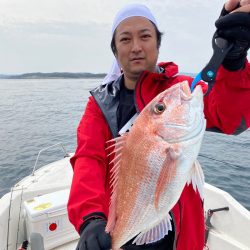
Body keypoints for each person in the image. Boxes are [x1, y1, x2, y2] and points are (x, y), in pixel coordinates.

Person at [68, 1, 250, 249]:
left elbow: (232, 118)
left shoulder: (178, 91)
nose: (136, 47)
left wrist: (233, 62)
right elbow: (89, 159)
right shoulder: (100, 103)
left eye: (145, 36)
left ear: (157, 44)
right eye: (125, 39)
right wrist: (90, 217)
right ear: (115, 51)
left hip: (181, 238)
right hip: (124, 230)